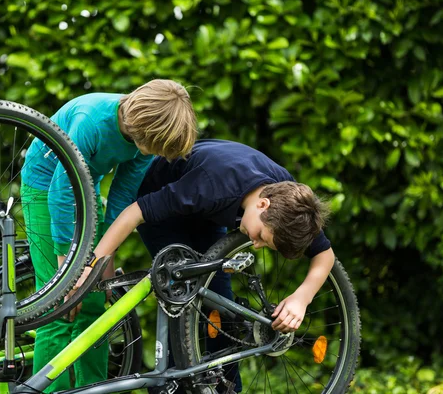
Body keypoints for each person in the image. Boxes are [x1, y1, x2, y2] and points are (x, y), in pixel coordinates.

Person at [89, 139, 333, 392]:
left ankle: (227, 388)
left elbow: (325, 256)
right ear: (263, 204)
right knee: (180, 295)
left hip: (208, 211)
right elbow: (133, 213)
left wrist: (302, 298)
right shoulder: (211, 186)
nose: (257, 245)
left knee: (218, 302)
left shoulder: (294, 207)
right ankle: (172, 383)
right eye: (261, 236)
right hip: (164, 193)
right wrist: (94, 266)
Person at [20, 79, 197, 392]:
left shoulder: (144, 138)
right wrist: (67, 267)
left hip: (85, 189)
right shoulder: (90, 122)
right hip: (45, 187)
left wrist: (104, 260)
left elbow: (122, 193)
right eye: (154, 146)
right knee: (57, 307)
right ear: (141, 126)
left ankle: (92, 388)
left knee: (92, 303)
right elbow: (61, 192)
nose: (155, 153)